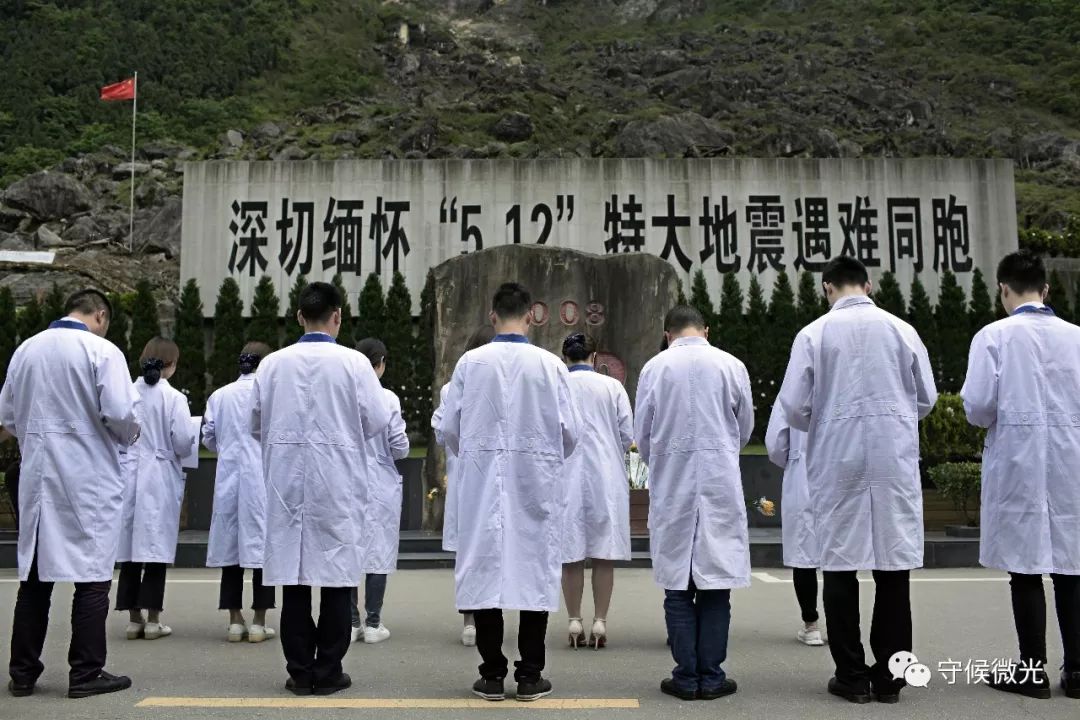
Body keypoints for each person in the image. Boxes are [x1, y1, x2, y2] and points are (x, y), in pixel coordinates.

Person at [777, 256, 937, 705]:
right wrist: (893, 415)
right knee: (893, 568)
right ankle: (890, 678)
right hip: (892, 459)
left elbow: (794, 408)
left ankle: (850, 676)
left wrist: (827, 417)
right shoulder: (902, 330)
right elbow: (926, 398)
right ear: (869, 285)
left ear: (827, 288)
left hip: (837, 458)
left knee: (840, 565)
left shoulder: (813, 334)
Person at [436, 282, 579, 702]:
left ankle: (492, 674)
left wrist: (477, 455)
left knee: (485, 571)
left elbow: (449, 428)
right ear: (531, 316)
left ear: (492, 315)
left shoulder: (470, 363)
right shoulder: (550, 365)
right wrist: (544, 456)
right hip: (535, 480)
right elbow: (571, 432)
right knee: (535, 569)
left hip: (483, 481)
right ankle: (531, 675)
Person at [251, 281, 391, 696]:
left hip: (287, 482)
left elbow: (256, 423)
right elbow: (377, 420)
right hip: (337, 481)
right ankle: (329, 671)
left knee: (293, 582)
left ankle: (299, 672)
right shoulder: (354, 364)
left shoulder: (272, 365)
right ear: (338, 316)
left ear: (299, 316)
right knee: (336, 579)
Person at [0, 289, 140, 698]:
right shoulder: (101, 351)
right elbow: (121, 413)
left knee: (36, 576)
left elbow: (8, 416)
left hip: (38, 475)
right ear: (100, 316)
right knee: (92, 576)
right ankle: (85, 672)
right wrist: (130, 435)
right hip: (88, 477)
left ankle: (22, 673)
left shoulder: (26, 350)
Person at [961, 249, 1080, 700]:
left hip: (1017, 461)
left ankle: (1032, 671)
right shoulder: (1076, 337)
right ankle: (1078, 671)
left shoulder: (993, 336)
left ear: (1003, 289)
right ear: (1045, 290)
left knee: (1025, 569)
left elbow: (977, 408)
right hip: (1072, 461)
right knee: (1072, 565)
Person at [635, 305, 753, 702]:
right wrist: (721, 451)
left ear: (667, 334)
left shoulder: (654, 368)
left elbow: (643, 434)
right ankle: (712, 676)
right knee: (716, 586)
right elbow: (744, 427)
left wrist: (664, 459)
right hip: (719, 483)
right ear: (706, 330)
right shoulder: (731, 365)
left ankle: (686, 677)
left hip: (674, 484)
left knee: (678, 587)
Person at [115, 338, 199, 642]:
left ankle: (132, 619)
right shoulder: (174, 398)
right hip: (160, 477)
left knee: (130, 550)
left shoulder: (126, 393)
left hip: (128, 475)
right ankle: (153, 620)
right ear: (171, 364)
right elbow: (182, 441)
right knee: (155, 549)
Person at [559, 332, 633, 650]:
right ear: (594, 357)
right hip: (605, 475)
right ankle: (600, 621)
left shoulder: (558, 386)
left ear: (565, 358)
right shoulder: (612, 387)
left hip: (566, 475)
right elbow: (626, 433)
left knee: (571, 554)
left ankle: (574, 619)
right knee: (604, 553)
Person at [204, 342, 276, 644]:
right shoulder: (270, 394)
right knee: (263, 551)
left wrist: (227, 449)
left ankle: (235, 620)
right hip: (261, 479)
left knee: (230, 551)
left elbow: (208, 437)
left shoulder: (220, 395)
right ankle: (259, 621)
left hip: (229, 479)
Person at [433, 325, 495, 647]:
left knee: (469, 552)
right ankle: (483, 617)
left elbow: (443, 430)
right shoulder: (499, 386)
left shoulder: (452, 387)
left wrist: (464, 450)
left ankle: (471, 620)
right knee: (490, 549)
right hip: (490, 477)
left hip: (467, 475)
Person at [352, 337, 410, 645]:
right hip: (380, 482)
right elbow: (399, 446)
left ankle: (350, 622)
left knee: (348, 549)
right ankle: (373, 623)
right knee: (378, 551)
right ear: (381, 363)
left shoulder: (344, 394)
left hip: (348, 480)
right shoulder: (387, 398)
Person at [764, 404, 824, 646]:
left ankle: (811, 625)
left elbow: (776, 444)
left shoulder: (792, 390)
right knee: (840, 557)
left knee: (803, 554)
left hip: (802, 473)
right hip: (839, 470)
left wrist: (793, 457)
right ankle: (842, 627)